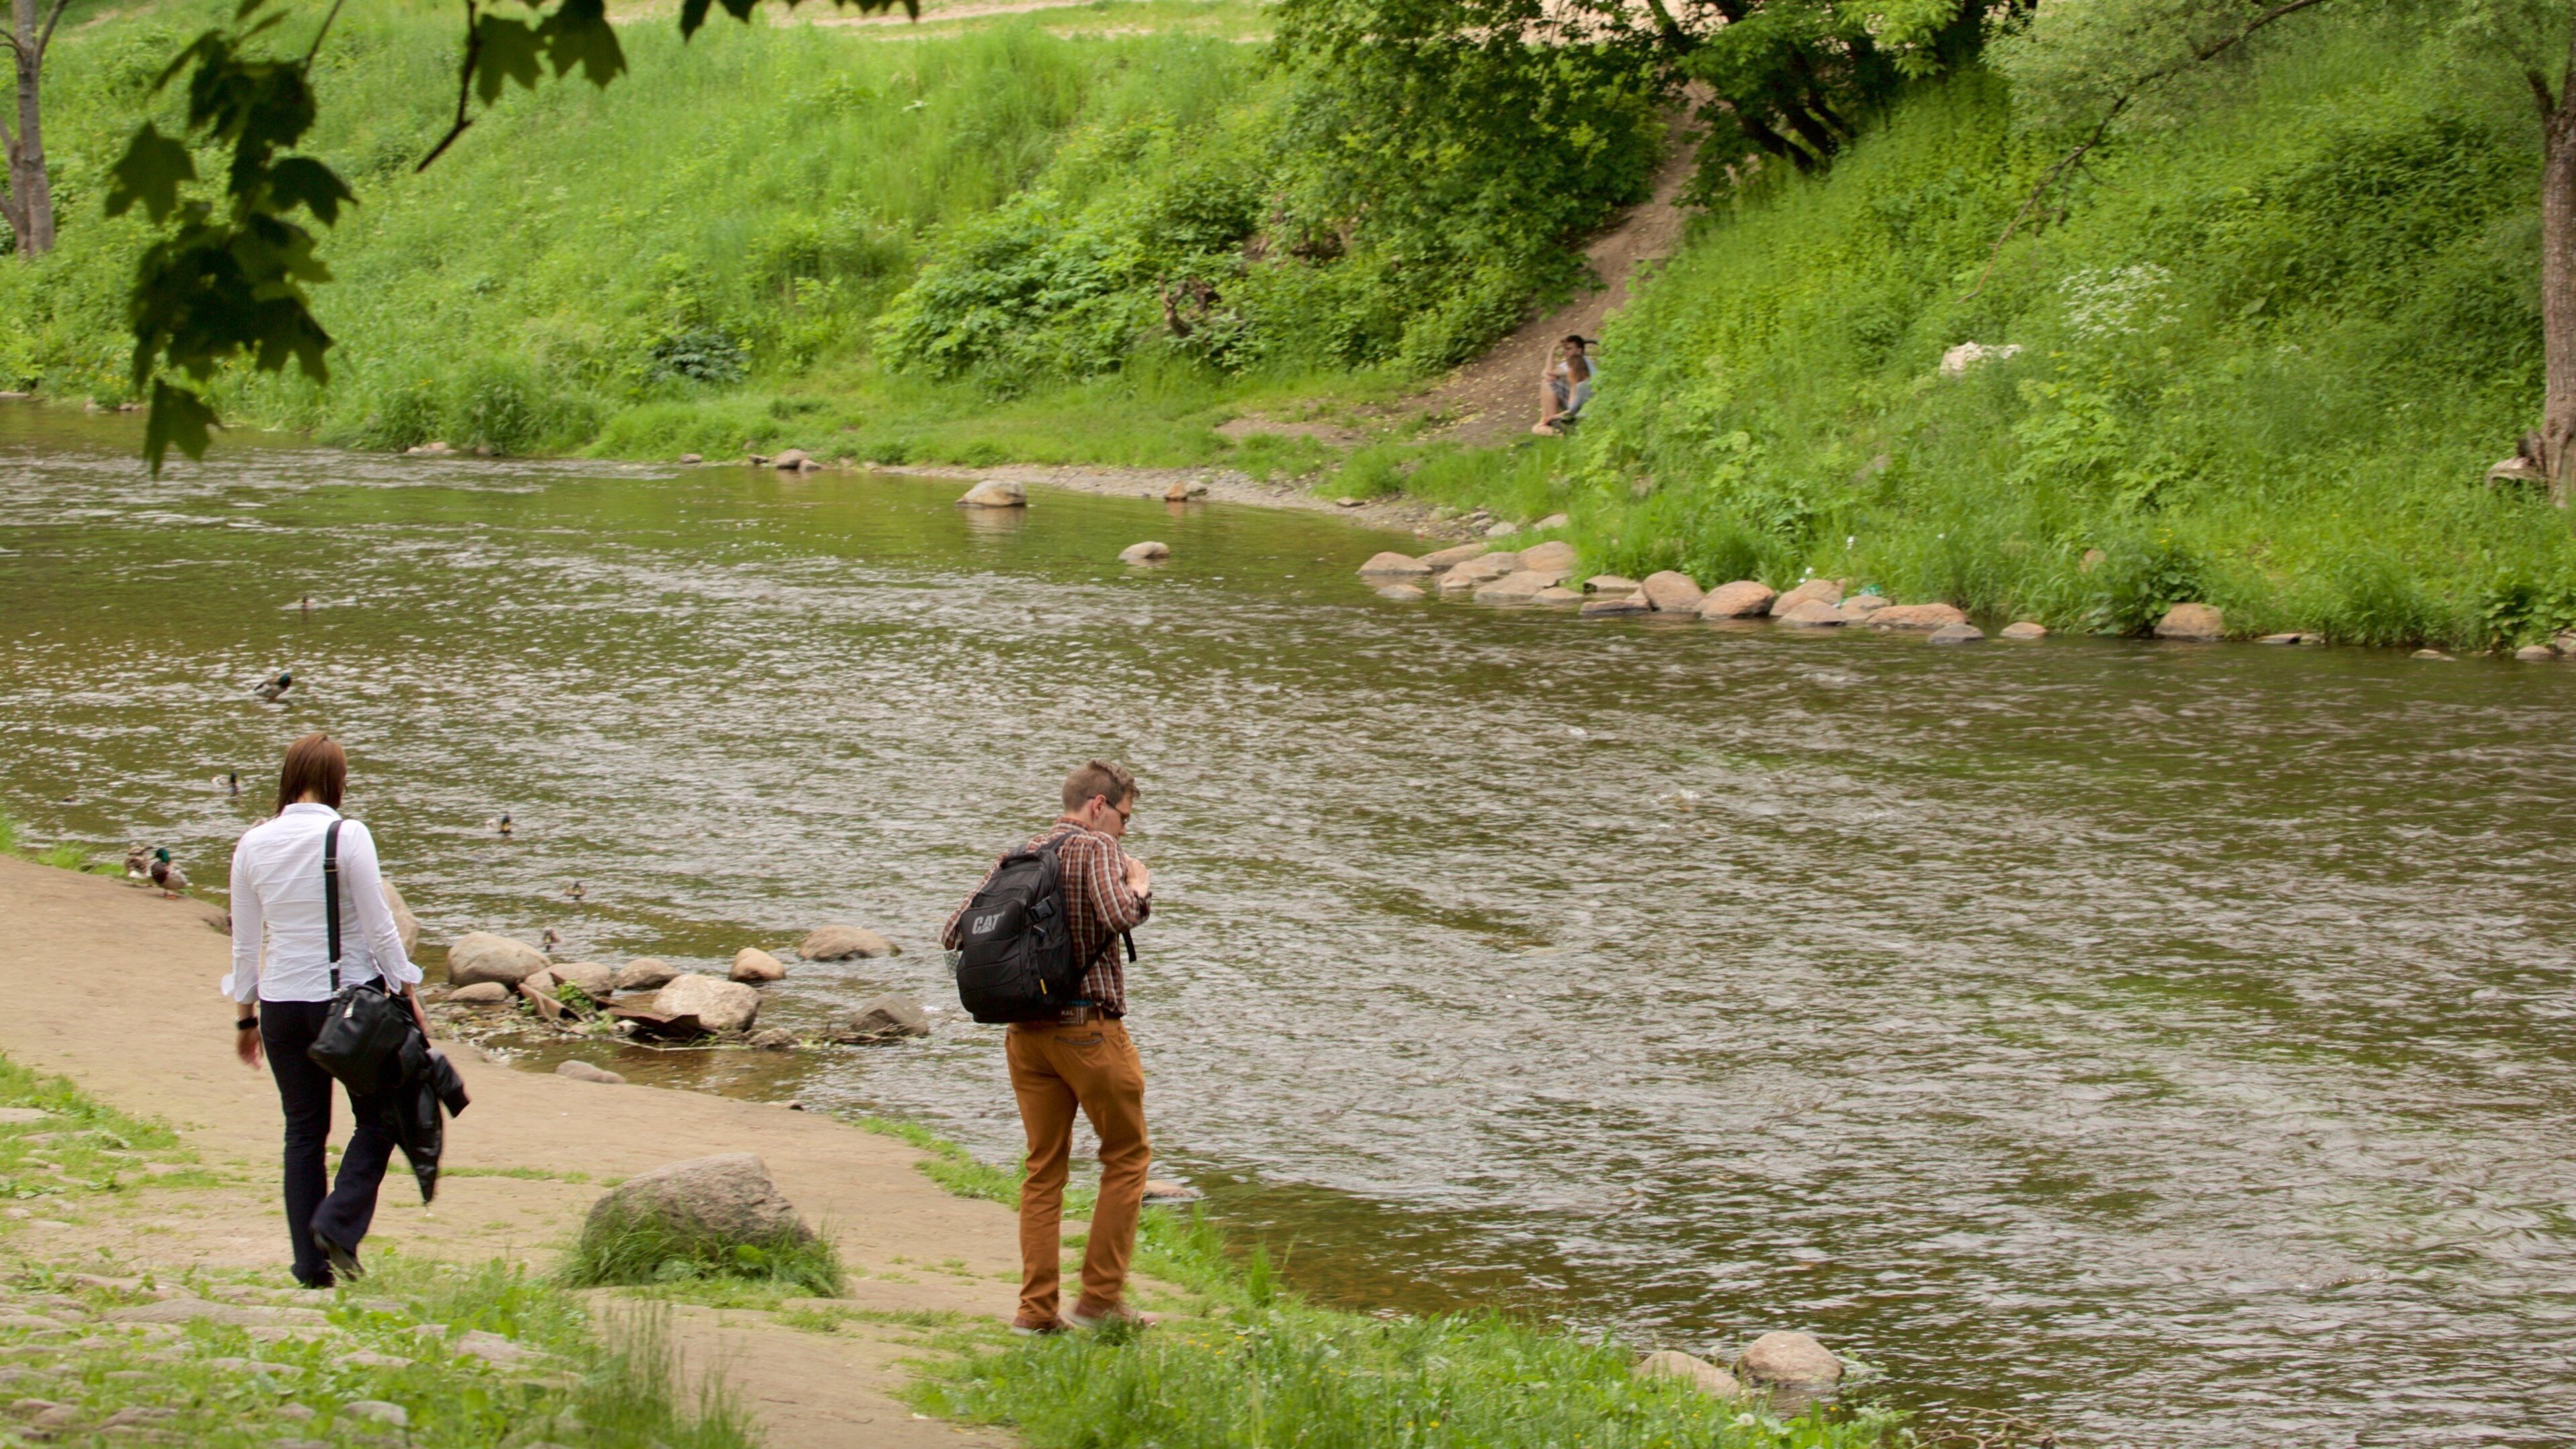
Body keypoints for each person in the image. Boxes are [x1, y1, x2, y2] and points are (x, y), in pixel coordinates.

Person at [943, 760, 1155, 1336]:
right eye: (1124, 817)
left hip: (1025, 1035)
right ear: (1097, 806)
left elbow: (953, 931)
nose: (1125, 831)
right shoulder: (1097, 849)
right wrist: (1140, 884)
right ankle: (1100, 1301)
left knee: (1043, 1170)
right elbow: (1118, 914)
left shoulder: (1020, 853)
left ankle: (1035, 1312)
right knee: (1128, 1156)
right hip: (1087, 1030)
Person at [223, 733, 429, 1287]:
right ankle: (338, 1223)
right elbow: (381, 927)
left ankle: (310, 1268)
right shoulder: (348, 835)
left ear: (289, 779)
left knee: (304, 1133)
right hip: (346, 1006)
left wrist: (246, 1018)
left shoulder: (252, 844)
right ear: (337, 780)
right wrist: (409, 990)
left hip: (281, 1006)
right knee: (383, 1116)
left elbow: (246, 943)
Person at [1534, 334, 1595, 435]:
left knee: (1548, 382)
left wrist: (1552, 350)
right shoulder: (1578, 361)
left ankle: (1550, 424)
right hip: (1580, 403)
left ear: (1579, 351)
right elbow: (1546, 373)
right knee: (1547, 380)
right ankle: (1546, 420)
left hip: (1582, 405)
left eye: (1569, 349)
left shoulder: (1578, 364)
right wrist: (1548, 374)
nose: (1565, 352)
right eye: (1564, 349)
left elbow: (1549, 372)